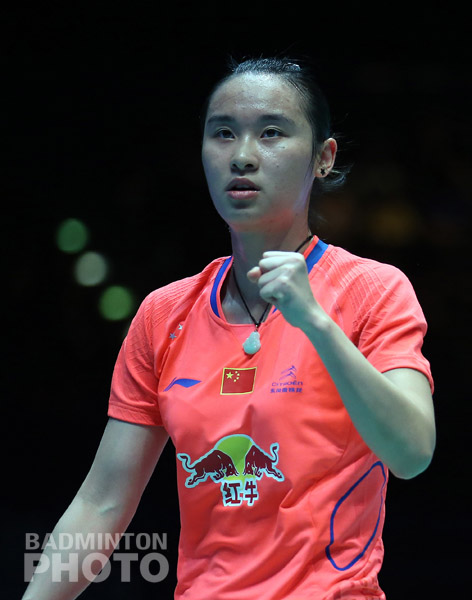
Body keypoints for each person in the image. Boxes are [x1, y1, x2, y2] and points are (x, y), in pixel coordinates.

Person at [22, 56, 436, 599]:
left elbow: (412, 453)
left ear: (323, 158)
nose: (242, 155)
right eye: (222, 133)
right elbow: (100, 505)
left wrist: (314, 322)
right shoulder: (164, 314)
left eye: (271, 133)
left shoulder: (372, 291)